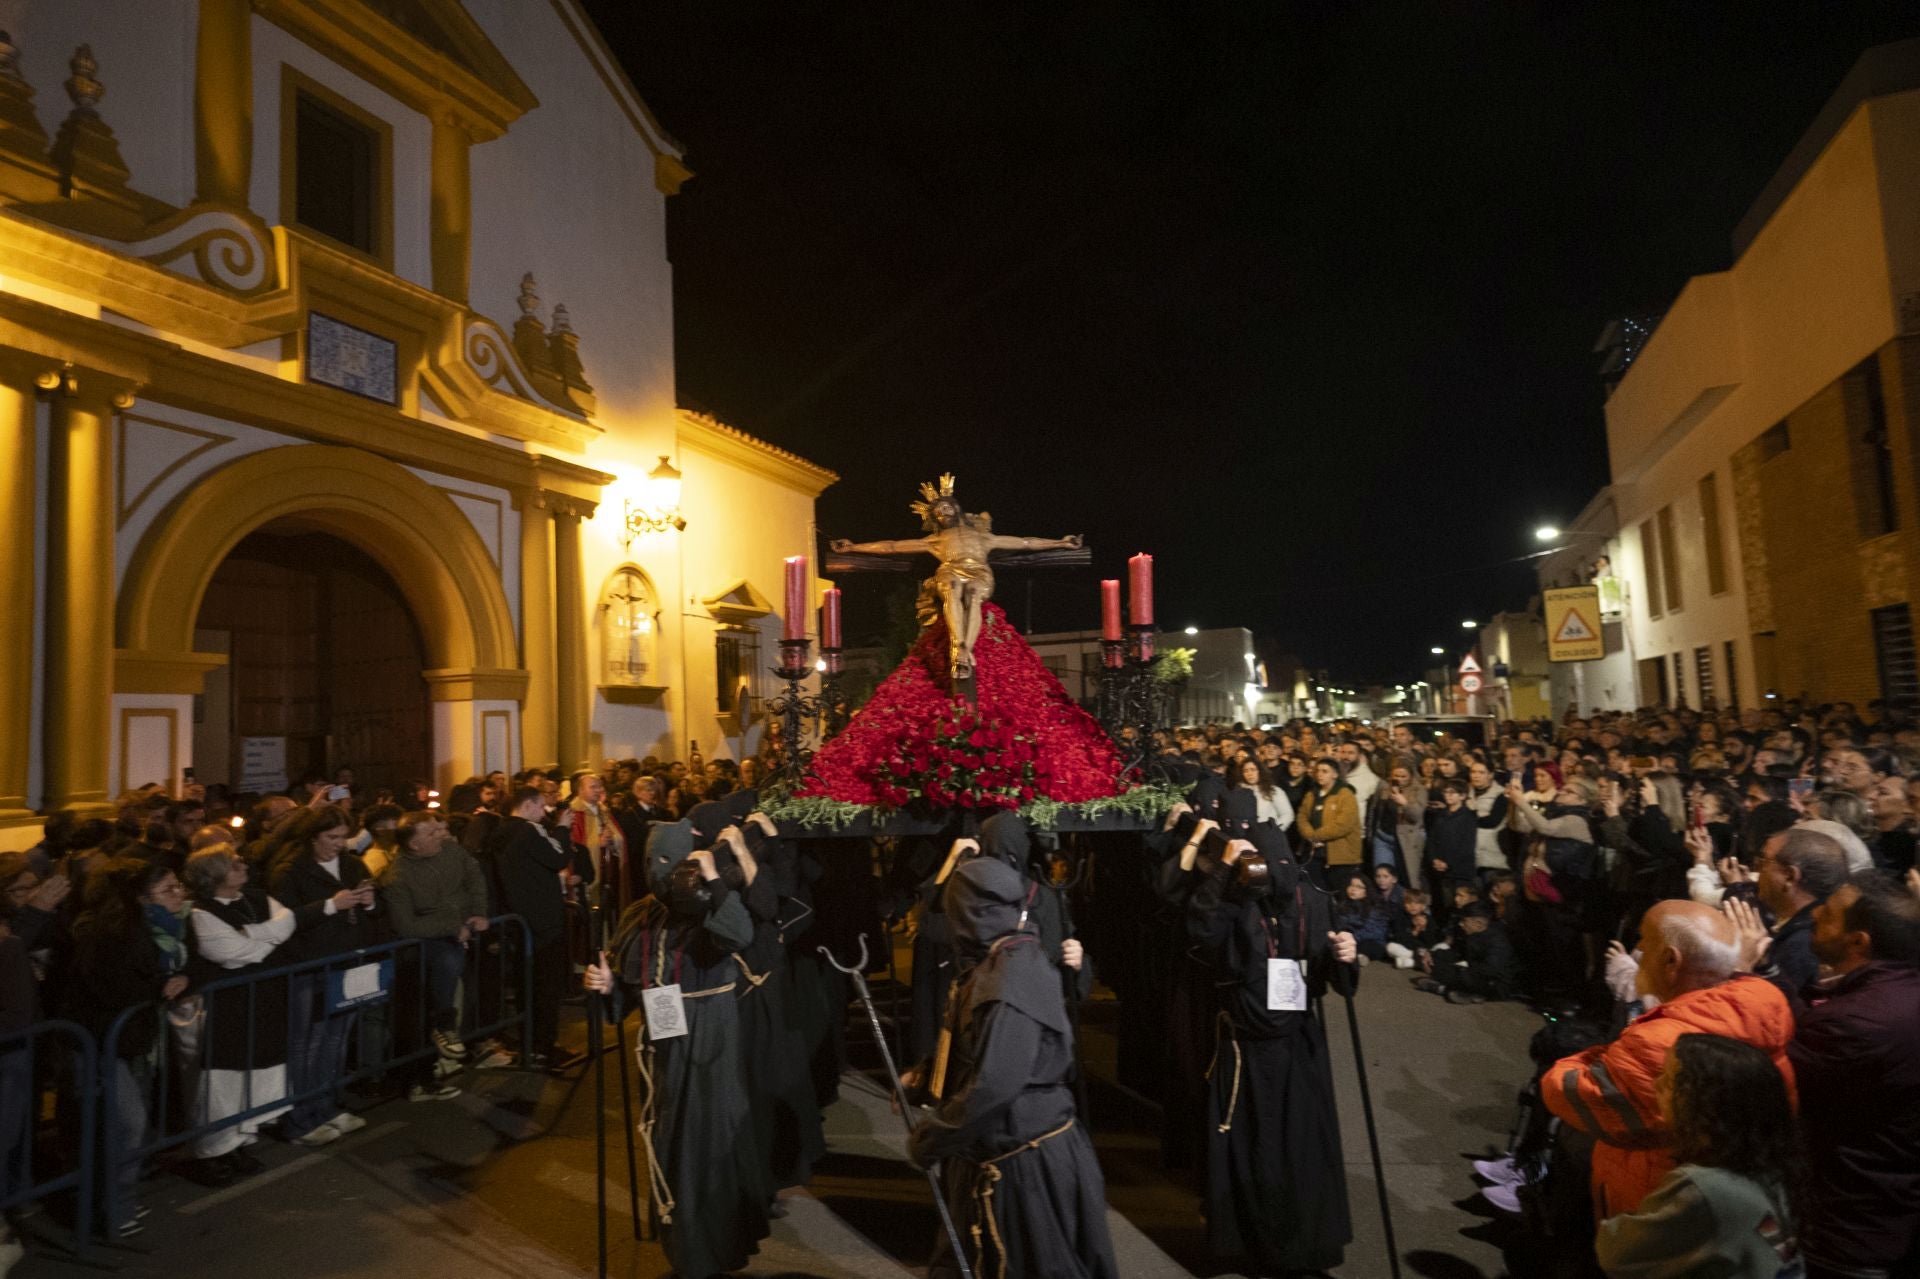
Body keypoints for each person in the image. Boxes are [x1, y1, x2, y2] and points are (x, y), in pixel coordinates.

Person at [905, 854, 1118, 1279]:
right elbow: (975, 1049)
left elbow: (996, 1083)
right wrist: (926, 1078)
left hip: (1024, 1167)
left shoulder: (1011, 979)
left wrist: (933, 1138)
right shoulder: (998, 959)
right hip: (1010, 1151)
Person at [586, 820, 771, 1279]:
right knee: (669, 1133)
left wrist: (711, 878)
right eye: (652, 860)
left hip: (710, 1035)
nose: (659, 870)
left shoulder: (709, 905)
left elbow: (740, 933)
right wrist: (609, 986)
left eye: (668, 860)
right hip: (664, 1036)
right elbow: (631, 980)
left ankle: (708, 1246)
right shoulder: (642, 913)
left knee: (706, 1137)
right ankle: (679, 1234)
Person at [1544, 900, 1797, 1220]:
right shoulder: (1764, 1006)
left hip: (1653, 1207)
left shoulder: (1661, 1041)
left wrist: (1594, 1056)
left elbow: (1566, 1092)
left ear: (1670, 960)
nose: (1637, 950)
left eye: (1644, 941)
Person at [1190, 822, 1359, 1273]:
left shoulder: (1316, 902)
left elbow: (1335, 981)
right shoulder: (1234, 901)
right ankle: (1250, 1243)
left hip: (1297, 1047)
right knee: (1252, 1149)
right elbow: (1201, 937)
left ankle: (1299, 1245)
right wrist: (1225, 873)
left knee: (1299, 1147)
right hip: (1245, 1048)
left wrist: (1346, 956)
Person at [1783, 871, 1920, 1279]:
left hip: (1851, 1226)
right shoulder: (1895, 996)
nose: (1812, 916)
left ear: (1858, 941)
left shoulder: (1853, 1023)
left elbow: (1770, 1089)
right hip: (1895, 1218)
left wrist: (1745, 988)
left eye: (1826, 915)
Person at [1595, 1034, 1804, 1279]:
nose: (1656, 1085)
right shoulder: (1769, 1168)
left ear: (1707, 1102)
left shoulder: (1704, 1189)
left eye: (1671, 1079)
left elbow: (1615, 1253)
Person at [62, 859, 192, 1236]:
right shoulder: (110, 933)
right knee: (127, 1122)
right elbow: (110, 989)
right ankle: (111, 1210)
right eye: (168, 890)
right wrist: (157, 987)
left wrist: (183, 976)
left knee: (130, 1122)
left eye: (178, 885)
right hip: (101, 1040)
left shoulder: (170, 926)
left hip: (134, 1038)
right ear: (140, 898)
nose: (179, 894)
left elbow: (195, 961)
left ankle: (119, 1202)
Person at [183, 845, 296, 1183]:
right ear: (214, 874)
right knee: (222, 1082)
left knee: (254, 1075)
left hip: (261, 1001)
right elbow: (230, 953)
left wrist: (255, 937)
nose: (242, 865)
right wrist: (269, 943)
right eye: (233, 864)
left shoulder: (256, 897)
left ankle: (240, 1141)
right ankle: (213, 1150)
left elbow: (287, 922)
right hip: (225, 1009)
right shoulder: (201, 913)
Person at [267, 807, 379, 1147]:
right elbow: (283, 921)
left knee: (336, 1040)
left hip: (346, 964)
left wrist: (371, 903)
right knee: (306, 1044)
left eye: (343, 836)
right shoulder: (290, 871)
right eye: (330, 837)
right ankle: (300, 1118)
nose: (338, 844)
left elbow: (374, 911)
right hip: (309, 967)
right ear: (312, 836)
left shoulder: (352, 865)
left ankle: (327, 1106)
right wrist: (331, 905)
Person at [378, 810, 489, 1095]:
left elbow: (473, 876)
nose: (441, 835)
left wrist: (478, 911)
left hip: (461, 934)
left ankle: (448, 1048)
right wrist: (452, 927)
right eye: (431, 833)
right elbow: (406, 925)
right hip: (422, 952)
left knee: (469, 990)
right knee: (418, 1016)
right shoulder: (397, 878)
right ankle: (435, 1043)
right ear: (414, 844)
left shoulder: (451, 852)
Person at [492, 785, 580, 1070]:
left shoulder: (501, 833)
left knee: (526, 985)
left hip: (520, 919)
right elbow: (557, 858)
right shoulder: (529, 831)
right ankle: (544, 1046)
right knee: (546, 985)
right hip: (544, 920)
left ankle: (531, 1044)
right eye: (541, 807)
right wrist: (564, 829)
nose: (545, 813)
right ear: (529, 805)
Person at [1750, 828, 1848, 999]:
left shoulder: (1802, 944)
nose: (1758, 871)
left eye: (1763, 861)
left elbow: (1768, 1007)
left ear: (1789, 876)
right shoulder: (1804, 927)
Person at [1296, 757, 1361, 888]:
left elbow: (1344, 824)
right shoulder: (1312, 794)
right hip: (1314, 853)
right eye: (1318, 771)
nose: (1320, 774)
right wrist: (1309, 834)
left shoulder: (1345, 794)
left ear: (1335, 775)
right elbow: (1302, 817)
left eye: (1325, 771)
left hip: (1340, 856)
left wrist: (1316, 835)